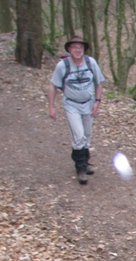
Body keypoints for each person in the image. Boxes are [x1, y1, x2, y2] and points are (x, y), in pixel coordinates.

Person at [48, 35, 106, 185]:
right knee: (78, 136)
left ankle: (85, 163)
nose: (77, 50)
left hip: (88, 103)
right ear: (69, 49)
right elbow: (53, 85)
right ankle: (80, 168)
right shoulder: (63, 65)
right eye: (74, 47)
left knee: (87, 135)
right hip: (71, 104)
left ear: (84, 49)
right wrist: (51, 107)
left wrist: (97, 101)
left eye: (80, 47)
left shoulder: (90, 62)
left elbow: (99, 83)